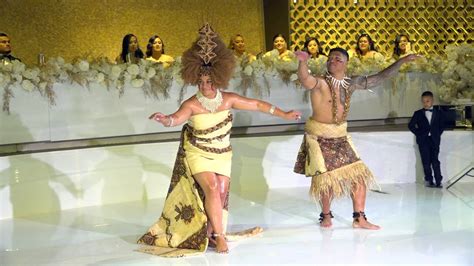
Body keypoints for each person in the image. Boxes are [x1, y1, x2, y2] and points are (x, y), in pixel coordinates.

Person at [137, 23, 301, 257]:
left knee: (222, 192)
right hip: (198, 153)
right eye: (201, 82)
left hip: (222, 153)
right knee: (213, 188)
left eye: (209, 82)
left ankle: (209, 232)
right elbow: (176, 119)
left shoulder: (228, 99)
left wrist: (284, 113)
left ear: (218, 79)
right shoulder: (191, 104)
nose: (205, 86)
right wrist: (165, 119)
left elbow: (256, 104)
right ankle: (220, 237)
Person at [294, 47, 420, 230]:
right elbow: (305, 79)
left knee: (359, 177)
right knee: (325, 180)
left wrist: (401, 61)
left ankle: (359, 218)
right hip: (320, 136)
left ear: (346, 63)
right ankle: (326, 215)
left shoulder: (350, 84)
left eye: (337, 58)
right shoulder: (320, 82)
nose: (332, 61)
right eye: (329, 58)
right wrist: (303, 61)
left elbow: (378, 78)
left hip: (340, 136)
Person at [408, 91, 445, 188]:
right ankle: (429, 180)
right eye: (423, 101)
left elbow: (442, 126)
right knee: (426, 161)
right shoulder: (418, 113)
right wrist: (419, 134)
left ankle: (438, 181)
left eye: (427, 101)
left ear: (432, 100)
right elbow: (411, 125)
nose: (425, 103)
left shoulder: (439, 113)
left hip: (434, 140)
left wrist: (436, 135)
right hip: (423, 140)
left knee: (435, 160)